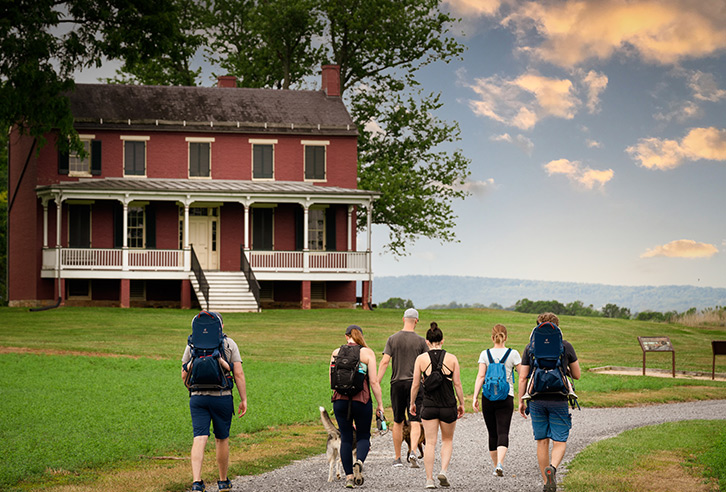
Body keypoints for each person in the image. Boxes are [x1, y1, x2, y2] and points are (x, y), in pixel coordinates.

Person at [181, 311, 248, 492]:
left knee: (199, 437)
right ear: (221, 326)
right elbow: (238, 373)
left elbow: (184, 374)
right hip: (222, 397)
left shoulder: (192, 344)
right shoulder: (229, 344)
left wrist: (193, 390)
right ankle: (223, 481)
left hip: (197, 399)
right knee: (221, 439)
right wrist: (243, 399)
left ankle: (196, 482)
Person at [518, 313, 580, 492]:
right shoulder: (565, 346)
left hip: (536, 398)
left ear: (537, 327)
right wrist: (563, 367)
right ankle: (552, 468)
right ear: (557, 327)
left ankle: (547, 482)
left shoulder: (530, 347)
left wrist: (521, 401)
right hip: (559, 398)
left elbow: (523, 377)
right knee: (559, 441)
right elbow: (577, 374)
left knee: (542, 441)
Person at [409, 322, 465, 489]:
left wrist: (412, 403)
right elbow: (458, 384)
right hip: (448, 406)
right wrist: (462, 403)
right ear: (443, 340)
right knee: (447, 440)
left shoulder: (421, 359)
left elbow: (415, 385)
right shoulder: (452, 359)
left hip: (429, 406)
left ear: (427, 342)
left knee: (431, 442)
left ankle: (429, 480)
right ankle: (444, 471)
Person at [330, 325, 385, 488]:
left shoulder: (335, 352)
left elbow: (332, 381)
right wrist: (380, 404)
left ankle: (348, 478)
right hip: (361, 400)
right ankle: (359, 461)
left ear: (346, 336)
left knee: (346, 438)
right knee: (363, 436)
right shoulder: (367, 353)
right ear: (360, 336)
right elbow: (374, 382)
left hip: (340, 401)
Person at [378, 308, 429, 468]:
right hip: (415, 385)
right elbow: (427, 365)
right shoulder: (421, 341)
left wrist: (377, 381)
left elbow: (385, 361)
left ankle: (397, 458)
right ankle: (413, 451)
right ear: (416, 321)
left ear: (403, 319)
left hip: (397, 383)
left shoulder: (392, 339)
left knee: (398, 420)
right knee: (415, 420)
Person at [473, 324, 522, 477]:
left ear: (492, 338)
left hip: (487, 397)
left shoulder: (484, 354)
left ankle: (495, 466)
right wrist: (523, 397)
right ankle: (500, 463)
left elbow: (481, 376)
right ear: (505, 337)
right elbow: (522, 376)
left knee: (492, 433)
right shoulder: (513, 354)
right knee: (503, 431)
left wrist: (475, 396)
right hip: (506, 397)